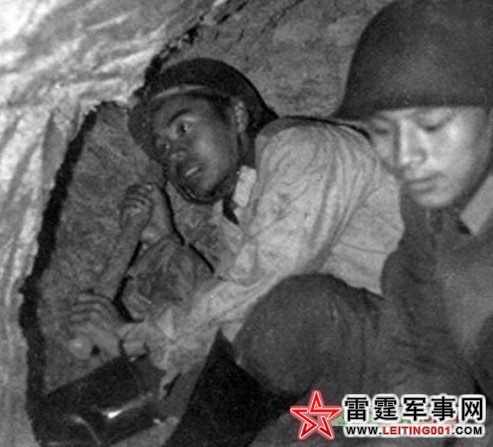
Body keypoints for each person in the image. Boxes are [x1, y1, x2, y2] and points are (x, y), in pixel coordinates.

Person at [164, 2, 493, 446]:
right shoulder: (426, 220)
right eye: (383, 131)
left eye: (431, 122)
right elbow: (426, 368)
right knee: (307, 418)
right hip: (467, 407)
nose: (406, 154)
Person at [69, 58, 402, 444]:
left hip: (443, 389)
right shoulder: (239, 208)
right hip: (371, 406)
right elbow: (228, 321)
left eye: (183, 128)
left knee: (304, 305)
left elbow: (269, 279)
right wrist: (163, 247)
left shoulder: (305, 148)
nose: (175, 154)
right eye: (164, 149)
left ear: (238, 115)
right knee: (254, 405)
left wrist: (136, 340)